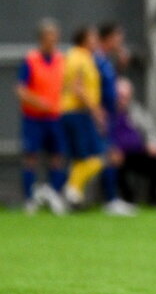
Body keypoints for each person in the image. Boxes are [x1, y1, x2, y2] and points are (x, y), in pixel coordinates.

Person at [16, 18, 68, 215]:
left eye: (55, 36)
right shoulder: (31, 60)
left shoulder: (61, 59)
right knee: (31, 157)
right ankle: (29, 199)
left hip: (54, 117)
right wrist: (38, 102)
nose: (53, 40)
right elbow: (20, 90)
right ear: (41, 38)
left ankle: (54, 195)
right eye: (49, 36)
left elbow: (66, 85)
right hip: (34, 117)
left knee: (57, 157)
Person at [60, 25, 107, 208]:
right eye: (93, 38)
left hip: (75, 112)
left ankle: (73, 192)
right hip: (77, 113)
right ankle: (71, 189)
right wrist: (96, 110)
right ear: (84, 40)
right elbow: (78, 88)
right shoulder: (79, 58)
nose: (96, 41)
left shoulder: (79, 56)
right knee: (94, 158)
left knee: (82, 158)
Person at [96, 22, 136, 216]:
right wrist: (97, 110)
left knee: (112, 155)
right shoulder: (96, 58)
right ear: (109, 37)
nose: (121, 42)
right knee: (105, 155)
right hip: (99, 114)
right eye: (118, 37)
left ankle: (111, 198)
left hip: (109, 113)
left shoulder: (107, 60)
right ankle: (107, 199)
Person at [109, 78, 156, 206]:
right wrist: (112, 149)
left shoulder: (136, 110)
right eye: (120, 96)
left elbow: (150, 129)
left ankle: (154, 197)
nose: (123, 99)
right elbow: (102, 135)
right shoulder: (107, 112)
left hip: (136, 152)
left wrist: (153, 143)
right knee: (117, 162)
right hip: (116, 153)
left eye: (126, 96)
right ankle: (127, 198)